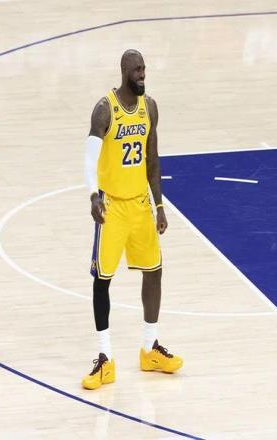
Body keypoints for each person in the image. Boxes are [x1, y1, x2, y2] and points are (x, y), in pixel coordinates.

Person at [81, 49, 182, 390]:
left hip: (140, 205)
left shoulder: (149, 107)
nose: (142, 74)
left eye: (144, 69)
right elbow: (89, 157)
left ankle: (150, 349)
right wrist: (93, 195)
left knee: (154, 272)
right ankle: (105, 359)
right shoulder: (104, 109)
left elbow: (152, 159)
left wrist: (160, 205)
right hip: (112, 207)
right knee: (102, 280)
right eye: (137, 70)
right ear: (124, 71)